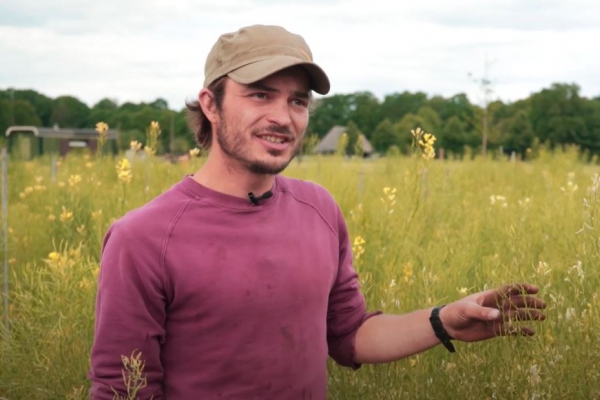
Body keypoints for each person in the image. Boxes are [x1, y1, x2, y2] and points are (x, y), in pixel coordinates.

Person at [89, 24, 546, 399]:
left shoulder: (318, 209)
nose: (283, 117)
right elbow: (122, 390)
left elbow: (349, 335)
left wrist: (443, 320)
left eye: (298, 101)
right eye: (260, 95)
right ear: (211, 104)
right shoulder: (144, 238)